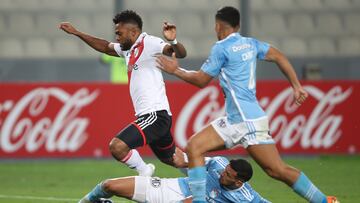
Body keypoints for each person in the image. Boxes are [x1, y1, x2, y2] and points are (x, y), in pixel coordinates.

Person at [156, 6, 339, 203]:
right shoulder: (250, 44)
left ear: (217, 26)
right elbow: (279, 56)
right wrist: (296, 86)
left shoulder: (221, 48)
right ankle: (325, 201)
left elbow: (201, 80)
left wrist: (175, 71)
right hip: (244, 118)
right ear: (238, 25)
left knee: (274, 169)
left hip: (244, 121)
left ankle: (323, 201)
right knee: (197, 147)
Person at [59, 10, 187, 176]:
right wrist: (76, 32)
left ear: (133, 32)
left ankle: (144, 172)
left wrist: (174, 41)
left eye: (119, 33)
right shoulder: (129, 49)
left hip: (155, 115)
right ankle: (209, 172)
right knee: (174, 159)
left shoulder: (150, 42)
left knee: (117, 146)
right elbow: (105, 47)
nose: (117, 37)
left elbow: (180, 53)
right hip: (150, 116)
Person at [78, 155, 270, 203]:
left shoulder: (247, 196)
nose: (222, 174)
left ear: (239, 182)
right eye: (225, 170)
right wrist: (179, 161)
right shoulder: (219, 163)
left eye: (228, 175)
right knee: (109, 185)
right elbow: (191, 163)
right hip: (171, 187)